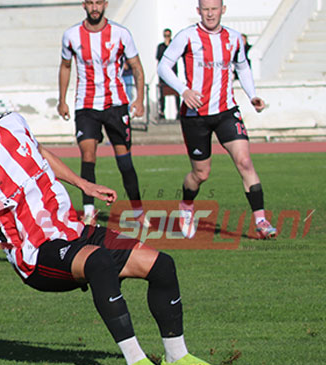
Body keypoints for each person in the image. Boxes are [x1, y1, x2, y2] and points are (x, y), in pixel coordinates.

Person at [0, 81, 223, 365]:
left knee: (162, 265)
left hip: (74, 231)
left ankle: (176, 356)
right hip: (36, 256)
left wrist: (83, 184)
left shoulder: (13, 123)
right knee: (99, 262)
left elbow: (41, 153)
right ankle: (136, 363)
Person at [157, 0, 275, 239]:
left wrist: (252, 95)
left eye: (214, 9)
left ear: (223, 9)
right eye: (206, 9)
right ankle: (187, 206)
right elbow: (163, 67)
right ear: (199, 11)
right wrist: (184, 91)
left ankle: (261, 221)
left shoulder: (233, 38)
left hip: (226, 111)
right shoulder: (187, 37)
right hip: (195, 115)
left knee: (244, 161)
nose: (210, 14)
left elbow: (242, 67)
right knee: (201, 174)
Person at [58, 0, 146, 226]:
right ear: (84, 5)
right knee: (88, 156)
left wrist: (139, 99)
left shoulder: (120, 34)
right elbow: (65, 66)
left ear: (106, 4)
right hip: (86, 106)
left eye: (98, 2)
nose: (94, 7)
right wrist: (62, 100)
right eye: (90, 3)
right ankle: (89, 211)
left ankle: (138, 211)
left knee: (124, 161)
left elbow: (136, 66)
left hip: (116, 105)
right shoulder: (71, 36)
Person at [156, 28, 181, 120]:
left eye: (168, 36)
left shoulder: (173, 46)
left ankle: (178, 111)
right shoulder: (161, 47)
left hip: (173, 73)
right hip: (163, 75)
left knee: (176, 94)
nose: (167, 37)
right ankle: (162, 112)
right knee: (162, 95)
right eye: (165, 36)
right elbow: (159, 58)